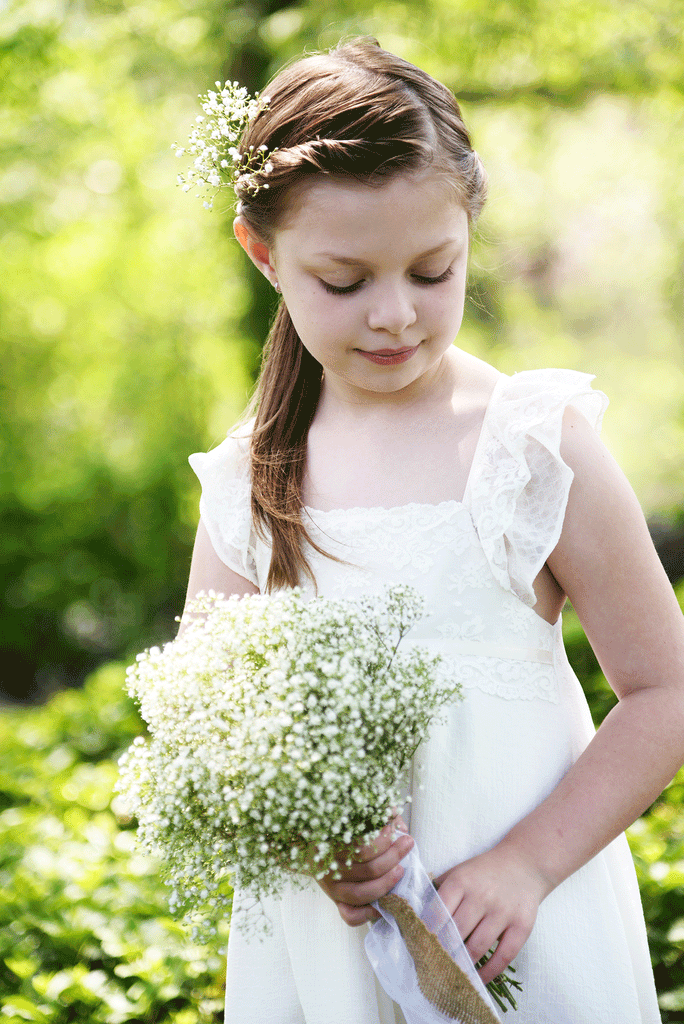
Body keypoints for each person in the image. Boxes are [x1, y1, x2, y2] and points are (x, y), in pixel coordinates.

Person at [181, 36, 684, 1024]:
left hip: (525, 926)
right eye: (346, 280)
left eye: (432, 270)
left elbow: (667, 691)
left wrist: (527, 866)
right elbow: (210, 719)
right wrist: (309, 842)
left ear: (469, 234)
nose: (395, 315)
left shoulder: (534, 446)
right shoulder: (252, 475)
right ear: (263, 252)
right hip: (325, 950)